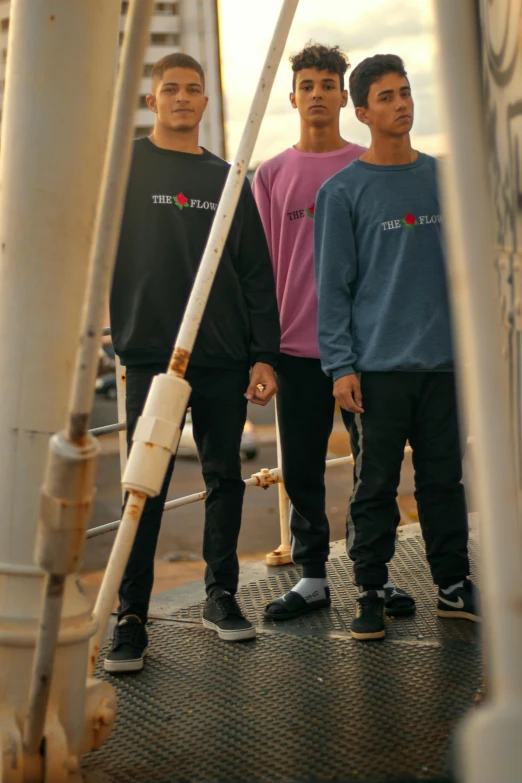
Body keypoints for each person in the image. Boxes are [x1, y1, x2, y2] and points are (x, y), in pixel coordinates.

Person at [105, 53, 280, 672]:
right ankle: (130, 618)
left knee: (224, 479)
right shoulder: (122, 166)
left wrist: (264, 354)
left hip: (223, 352)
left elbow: (256, 272)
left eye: (194, 90)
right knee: (143, 489)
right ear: (152, 101)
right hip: (150, 351)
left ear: (206, 103)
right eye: (171, 89)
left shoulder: (227, 177)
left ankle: (221, 596)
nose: (183, 98)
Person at [314, 54, 480, 641]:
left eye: (405, 92)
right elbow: (332, 289)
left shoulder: (443, 179)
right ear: (361, 112)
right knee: (375, 485)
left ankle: (454, 585)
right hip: (377, 369)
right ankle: (369, 590)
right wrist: (340, 366)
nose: (401, 104)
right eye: (385, 97)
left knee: (443, 482)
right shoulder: (342, 192)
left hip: (443, 364)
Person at [252, 43, 414, 622]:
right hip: (297, 352)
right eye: (307, 84)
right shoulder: (270, 176)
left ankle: (379, 574)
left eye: (328, 83)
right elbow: (262, 270)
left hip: (365, 351)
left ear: (345, 97)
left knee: (376, 470)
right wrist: (262, 354)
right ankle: (313, 577)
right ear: (291, 95)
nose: (317, 93)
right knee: (300, 470)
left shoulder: (366, 167)